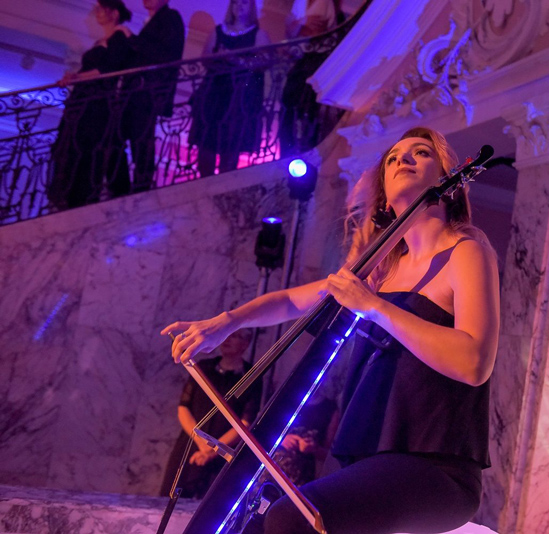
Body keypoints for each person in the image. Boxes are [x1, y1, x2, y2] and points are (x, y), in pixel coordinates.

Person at [162, 126, 500, 533]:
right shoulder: (381, 270)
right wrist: (226, 321)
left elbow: (474, 362)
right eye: (393, 158)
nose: (402, 160)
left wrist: (375, 307)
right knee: (249, 525)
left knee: (289, 519)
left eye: (420, 152)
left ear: (448, 177)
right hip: (367, 459)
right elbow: (293, 301)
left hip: (437, 470)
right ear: (384, 198)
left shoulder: (466, 250)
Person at [48, 0, 134, 209]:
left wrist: (77, 77)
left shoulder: (120, 35)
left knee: (86, 147)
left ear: (114, 13)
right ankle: (69, 196)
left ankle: (79, 196)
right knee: (74, 146)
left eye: (101, 9)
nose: (96, 12)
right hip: (85, 99)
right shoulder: (102, 40)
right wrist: (75, 77)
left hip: (96, 102)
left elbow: (109, 68)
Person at [159, 328, 261, 499]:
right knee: (171, 496)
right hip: (191, 444)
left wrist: (213, 449)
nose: (227, 340)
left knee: (209, 503)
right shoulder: (203, 367)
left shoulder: (251, 376)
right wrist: (202, 444)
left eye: (234, 336)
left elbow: (246, 421)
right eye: (226, 335)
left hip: (222, 451)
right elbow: (183, 407)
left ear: (245, 344)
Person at [189, 0, 269, 177]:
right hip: (214, 94)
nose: (239, 6)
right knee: (206, 145)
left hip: (239, 99)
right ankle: (204, 184)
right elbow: (205, 57)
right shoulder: (218, 31)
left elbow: (264, 61)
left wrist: (236, 59)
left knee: (230, 147)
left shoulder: (258, 34)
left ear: (251, 7)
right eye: (235, 3)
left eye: (244, 3)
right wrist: (218, 56)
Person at [120, 0, 185, 192]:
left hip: (147, 93)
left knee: (140, 141)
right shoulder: (154, 21)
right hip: (136, 92)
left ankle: (140, 186)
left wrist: (131, 38)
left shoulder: (171, 17)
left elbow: (165, 55)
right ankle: (125, 186)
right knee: (120, 138)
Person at [277, 0, 345, 158]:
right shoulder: (301, 3)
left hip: (312, 64)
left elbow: (316, 28)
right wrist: (301, 24)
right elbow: (291, 34)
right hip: (301, 63)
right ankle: (289, 154)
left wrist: (300, 27)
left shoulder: (324, 3)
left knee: (305, 113)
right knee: (290, 110)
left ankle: (300, 154)